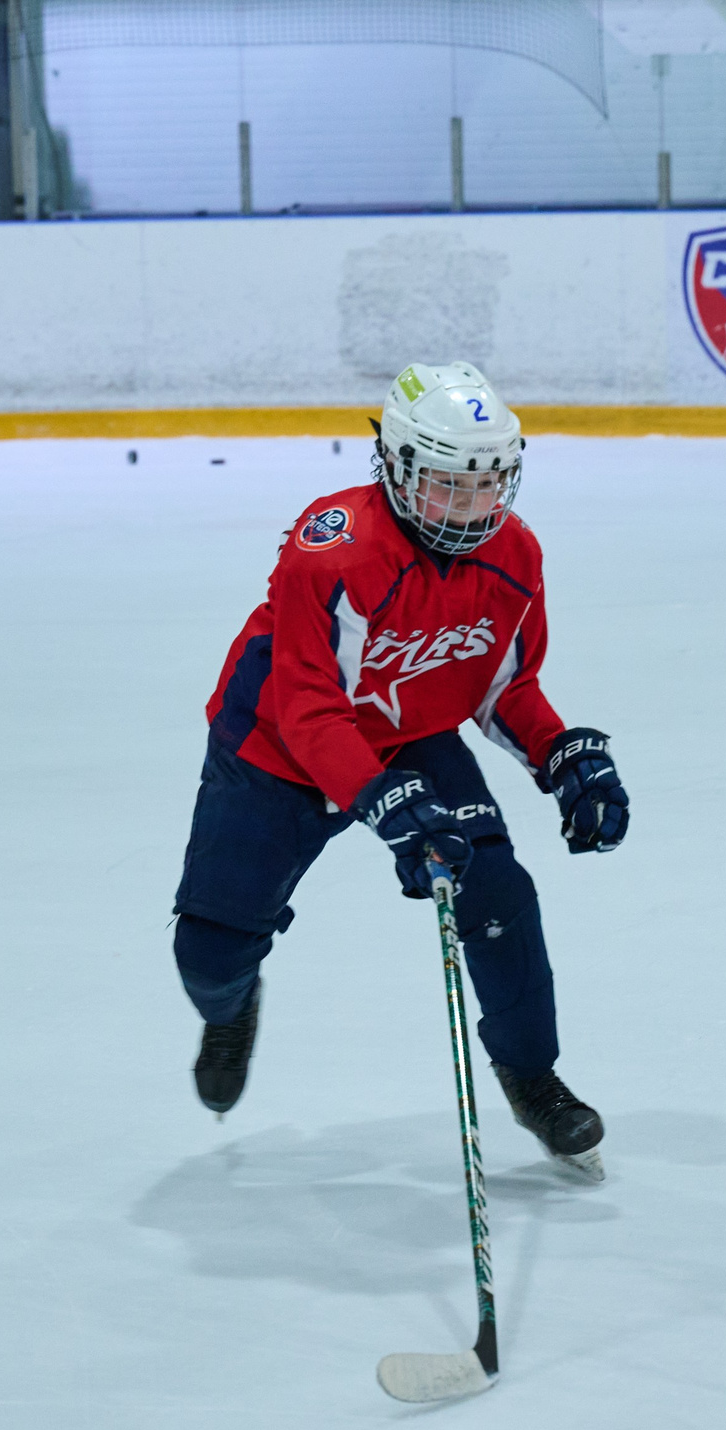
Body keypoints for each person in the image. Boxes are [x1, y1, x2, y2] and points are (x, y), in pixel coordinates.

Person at [171, 360, 629, 1178]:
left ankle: (533, 1077)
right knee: (209, 951)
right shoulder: (333, 550)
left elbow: (503, 686)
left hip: (410, 731)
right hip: (274, 745)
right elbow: (312, 711)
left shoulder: (516, 556)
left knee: (496, 891)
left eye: (488, 486)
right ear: (397, 466)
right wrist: (386, 805)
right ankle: (232, 1003)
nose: (472, 508)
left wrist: (560, 756)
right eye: (448, 486)